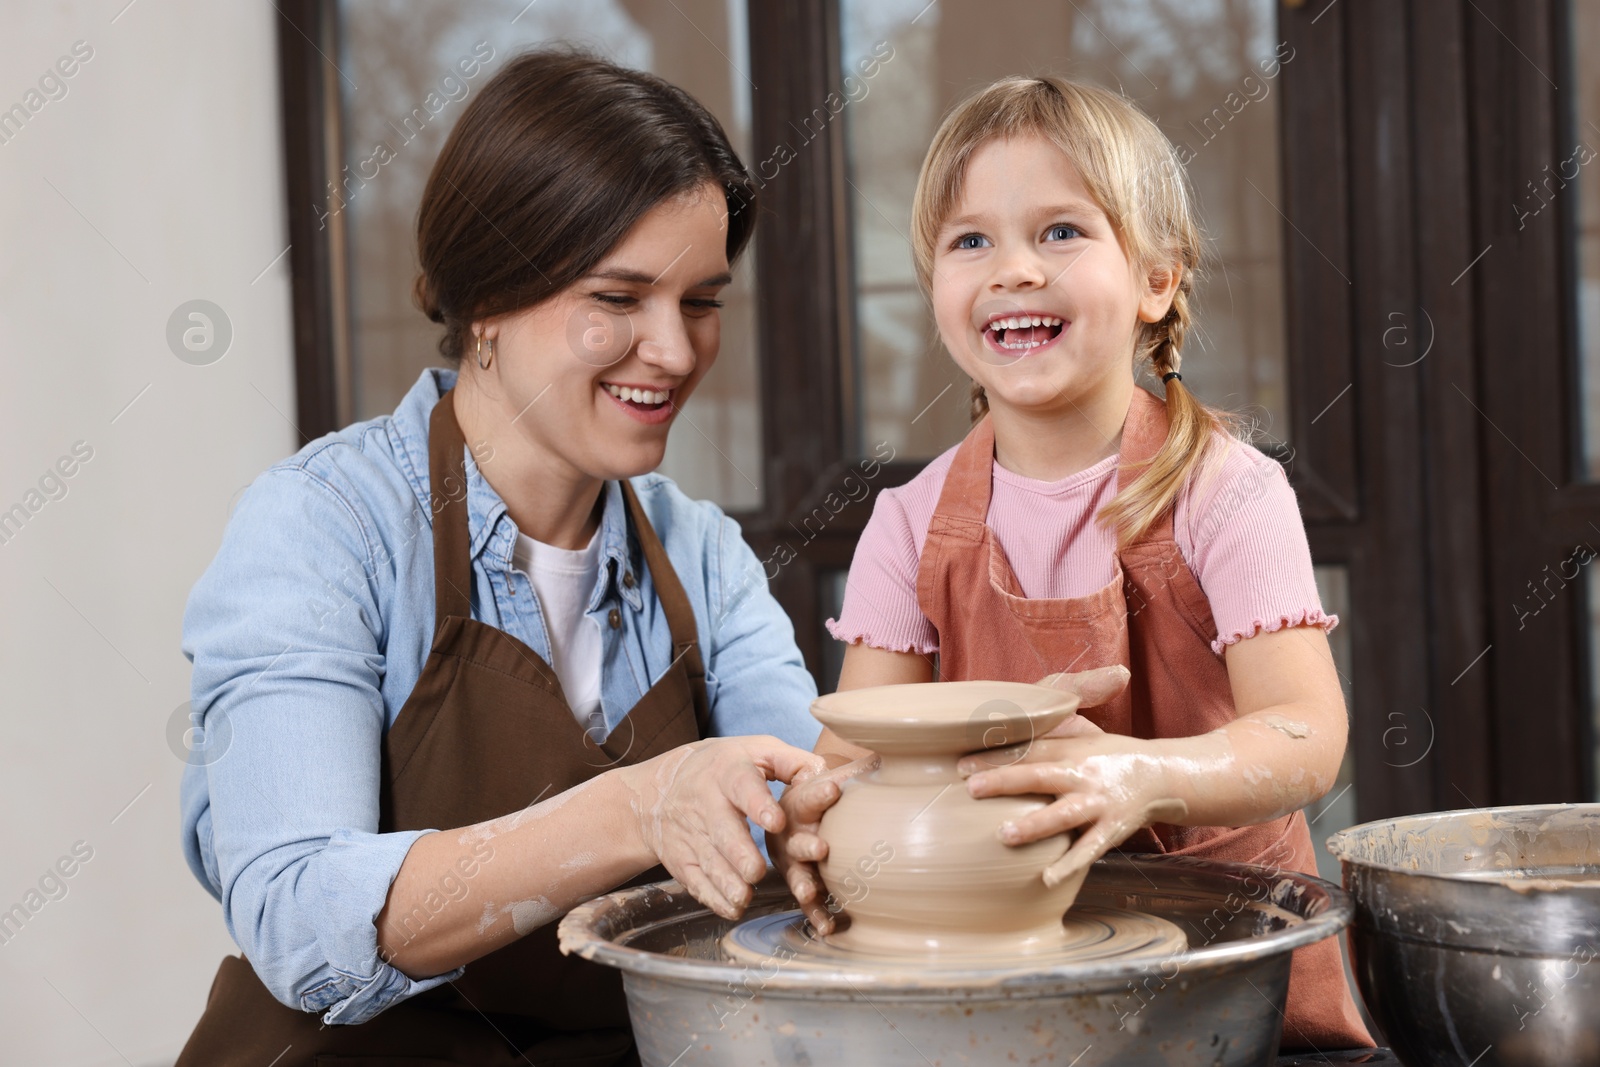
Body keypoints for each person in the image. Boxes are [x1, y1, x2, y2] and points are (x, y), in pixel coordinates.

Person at [173, 49, 867, 1065]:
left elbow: (795, 816)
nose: (673, 352)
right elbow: (294, 912)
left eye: (701, 301)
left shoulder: (701, 555)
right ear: (487, 300)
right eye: (619, 298)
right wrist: (637, 805)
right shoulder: (325, 526)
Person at [780, 75, 1374, 1050]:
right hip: (1002, 983)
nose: (1012, 268)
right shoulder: (907, 521)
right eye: (970, 240)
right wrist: (812, 809)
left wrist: (1137, 771)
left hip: (1226, 966)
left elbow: (1306, 735)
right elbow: (851, 756)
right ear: (934, 285)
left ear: (1156, 278)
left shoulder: (1227, 491)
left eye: (1060, 230)